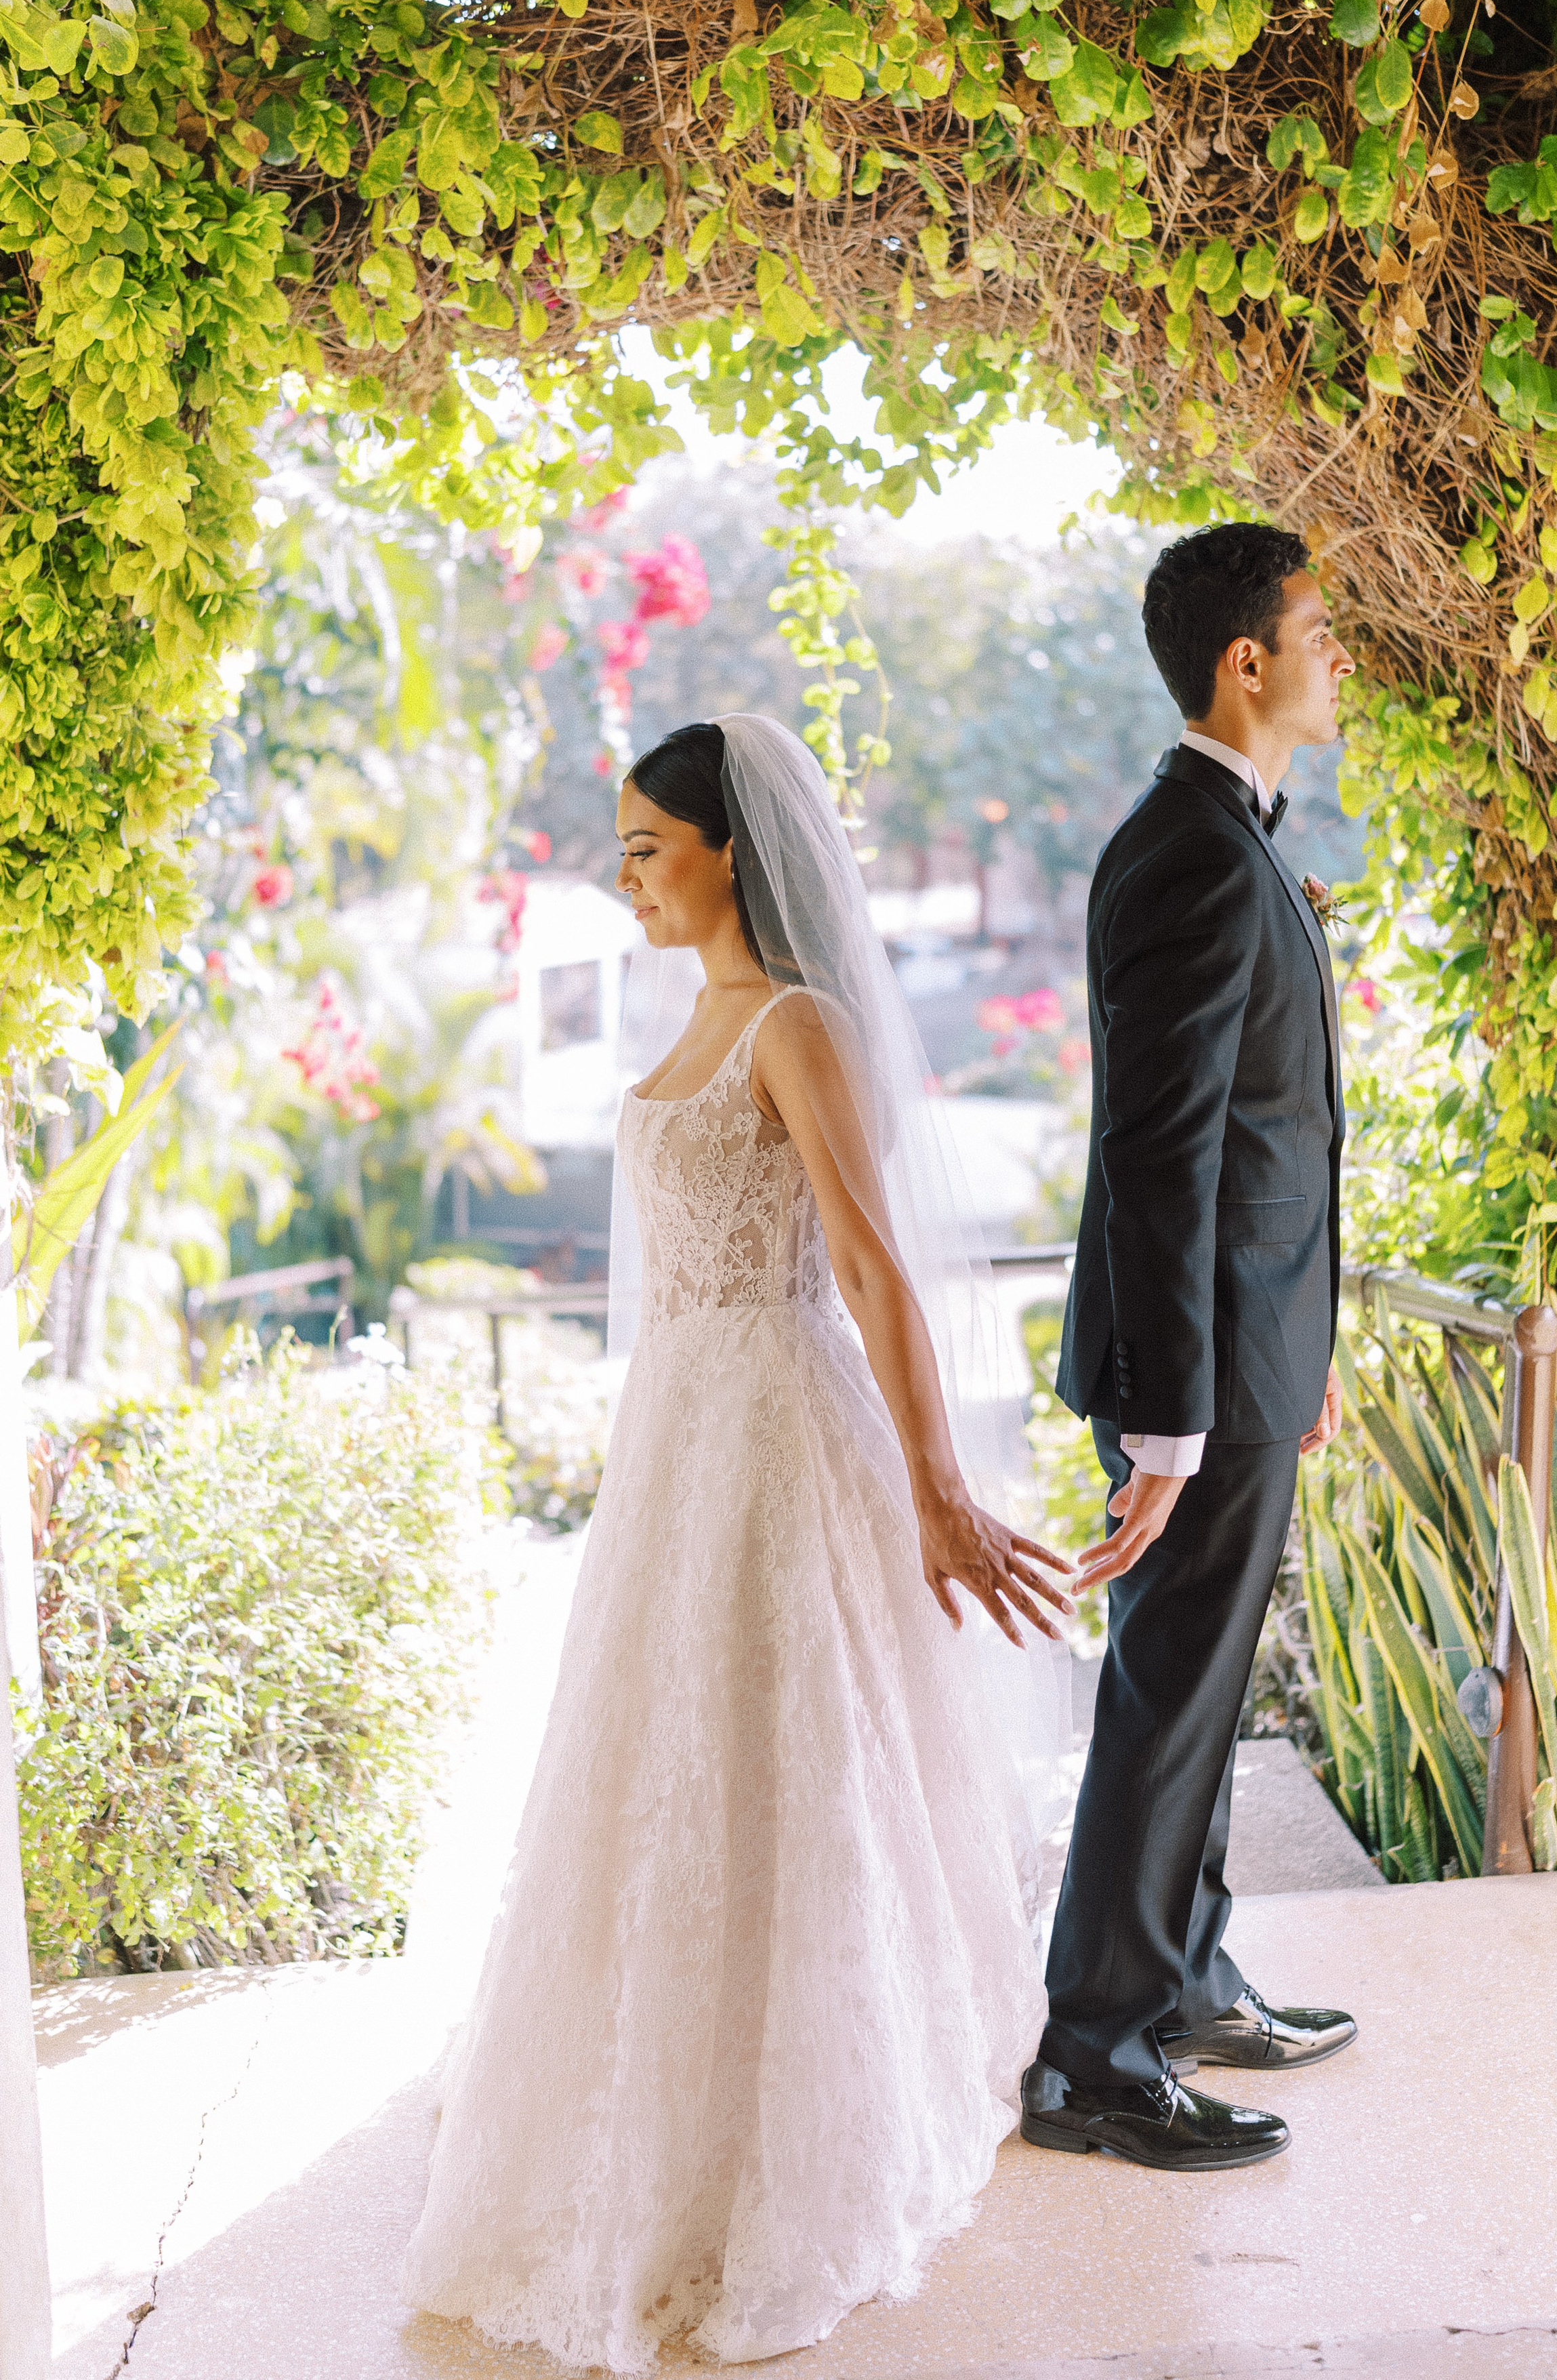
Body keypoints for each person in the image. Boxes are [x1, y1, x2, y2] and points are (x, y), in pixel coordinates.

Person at [402, 713, 1071, 2373]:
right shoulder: (692, 1014)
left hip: (778, 1427)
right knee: (663, 1771)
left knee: (791, 1766)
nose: (624, 877)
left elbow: (870, 1264)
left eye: (647, 849)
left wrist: (934, 1488)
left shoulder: (792, 1021)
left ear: (727, 851)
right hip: (676, 1444)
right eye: (622, 850)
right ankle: (661, 2125)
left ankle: (795, 2134)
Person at [1022, 523, 1359, 2174]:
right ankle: (1093, 2052)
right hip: (1193, 1377)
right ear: (1246, 661)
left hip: (1242, 1354)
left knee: (1199, 1692)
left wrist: (1300, 1348)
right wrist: (1169, 1423)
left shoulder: (1225, 839)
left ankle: (1190, 1981)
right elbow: (1159, 1154)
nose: (1338, 655)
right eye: (1317, 627)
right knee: (1165, 1701)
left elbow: (1261, 1141)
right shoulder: (1189, 853)